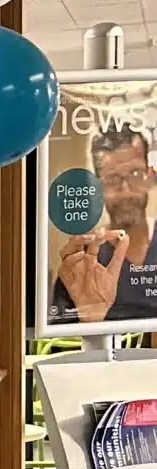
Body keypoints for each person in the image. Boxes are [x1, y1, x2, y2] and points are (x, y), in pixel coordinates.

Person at [50, 126, 157, 324]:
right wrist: (89, 317)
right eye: (112, 180)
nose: (125, 192)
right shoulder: (81, 262)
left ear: (150, 176)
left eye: (135, 173)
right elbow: (56, 348)